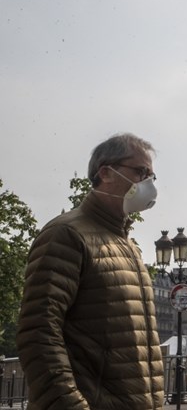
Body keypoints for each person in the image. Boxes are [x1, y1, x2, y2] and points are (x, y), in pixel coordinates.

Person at [17, 133, 164, 409]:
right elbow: (38, 332)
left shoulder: (129, 246)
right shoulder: (66, 234)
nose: (148, 183)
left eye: (152, 176)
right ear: (106, 173)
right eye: (140, 172)